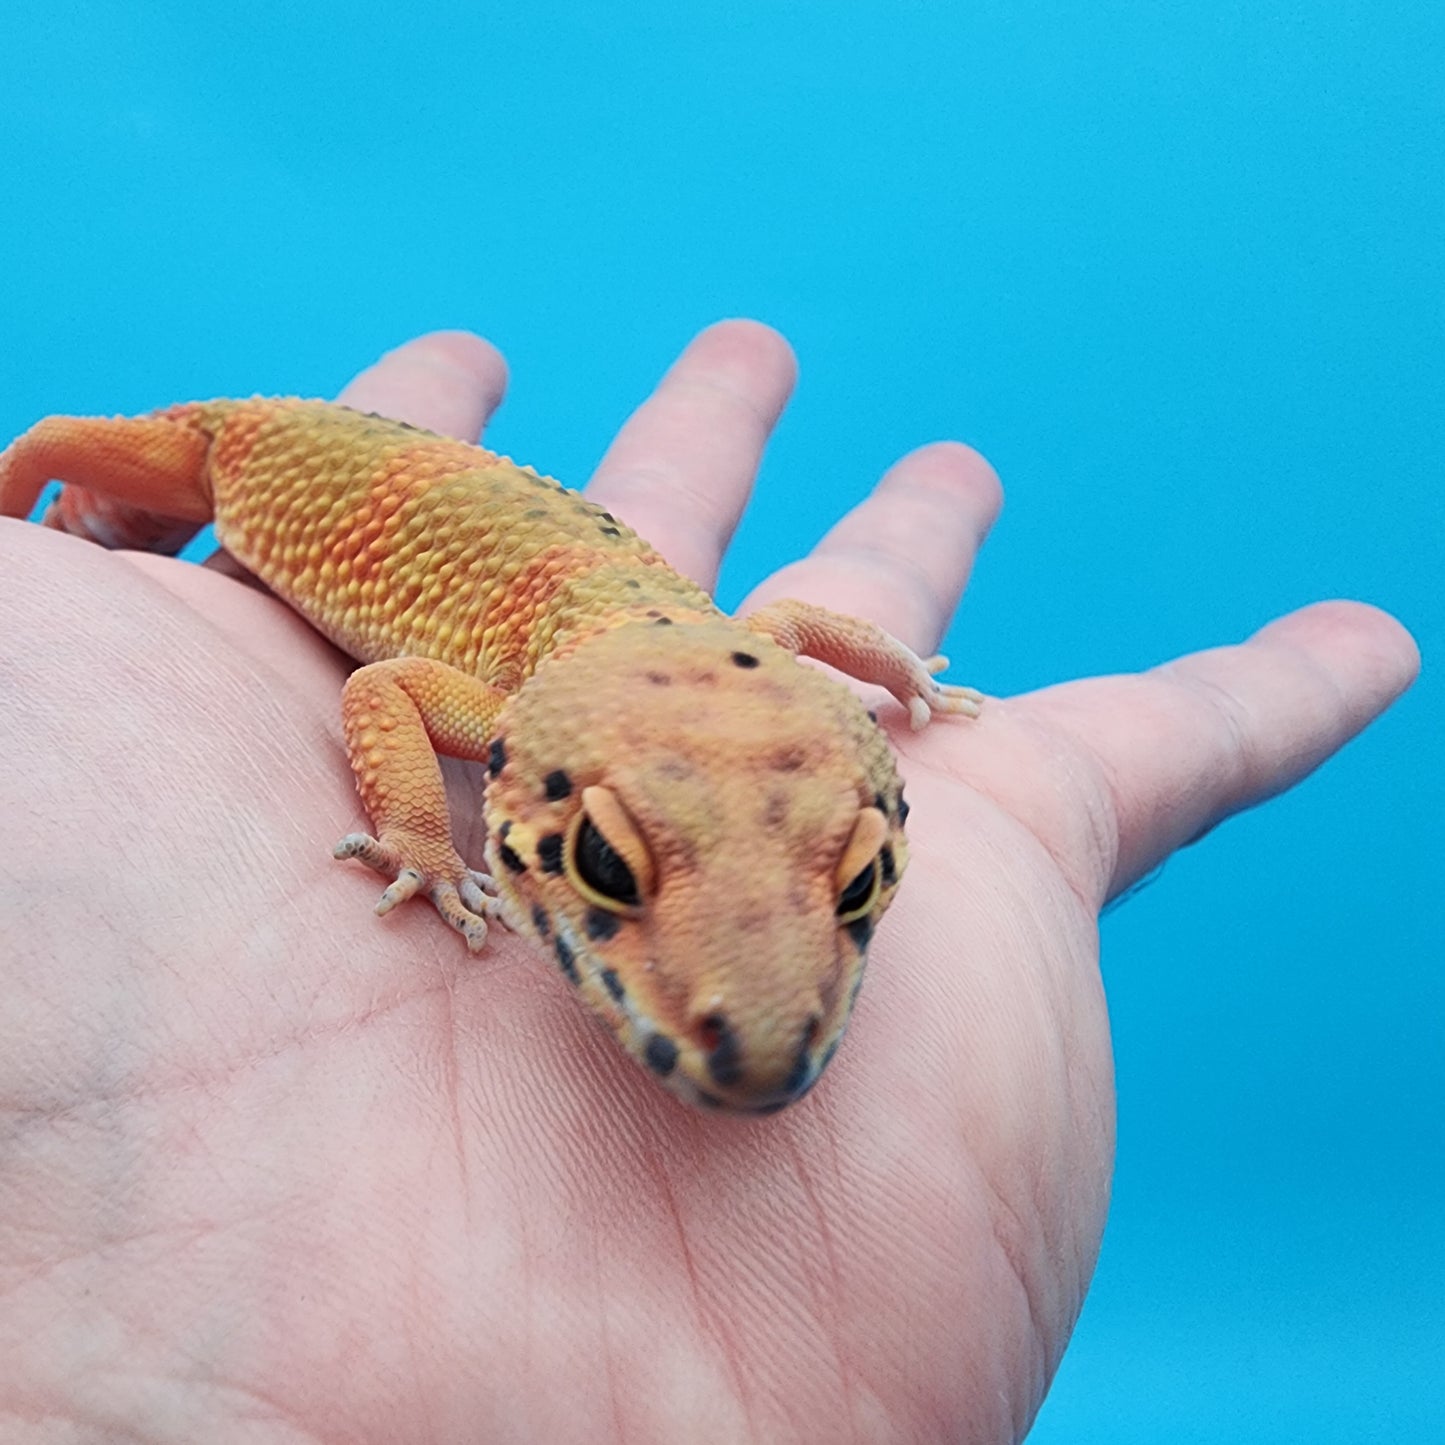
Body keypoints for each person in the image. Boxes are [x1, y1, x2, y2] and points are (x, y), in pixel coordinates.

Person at [0, 322, 1417, 1442]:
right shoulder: (498, 701)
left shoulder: (698, 666)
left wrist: (896, 675)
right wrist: (418, 840)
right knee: (66, 446)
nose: (766, 1011)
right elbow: (388, 687)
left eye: (856, 883)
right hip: (262, 453)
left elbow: (796, 622)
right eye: (615, 868)